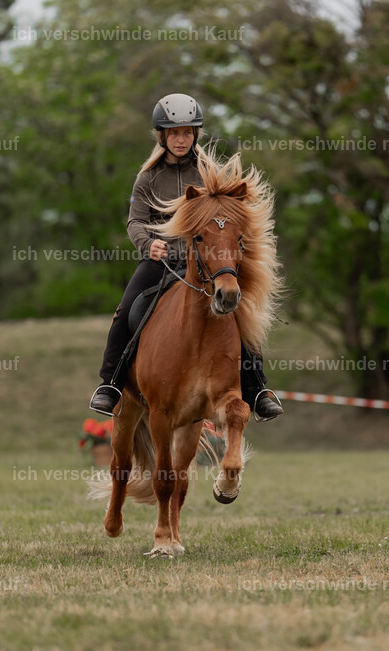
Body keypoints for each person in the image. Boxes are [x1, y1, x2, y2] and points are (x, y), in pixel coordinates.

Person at [89, 93, 283, 421]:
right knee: (126, 310)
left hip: (207, 262)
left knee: (240, 311)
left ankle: (257, 390)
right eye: (174, 133)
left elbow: (227, 215)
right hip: (161, 261)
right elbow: (135, 222)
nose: (181, 139)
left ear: (196, 135)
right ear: (162, 137)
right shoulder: (148, 177)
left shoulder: (209, 174)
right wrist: (148, 245)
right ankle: (110, 384)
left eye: (187, 133)